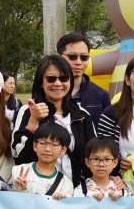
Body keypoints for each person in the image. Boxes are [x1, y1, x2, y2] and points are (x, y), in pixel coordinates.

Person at [14, 53, 117, 181]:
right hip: (37, 187)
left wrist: (111, 177)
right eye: (51, 79)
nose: (58, 83)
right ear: (41, 82)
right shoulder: (28, 111)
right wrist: (33, 122)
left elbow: (94, 153)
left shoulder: (82, 115)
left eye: (63, 78)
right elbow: (19, 157)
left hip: (74, 188)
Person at [12, 120, 76, 199]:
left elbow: (66, 205)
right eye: (42, 143)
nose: (47, 149)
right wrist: (18, 189)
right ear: (35, 146)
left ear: (63, 149)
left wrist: (61, 201)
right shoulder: (17, 171)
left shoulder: (65, 183)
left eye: (54, 145)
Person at [57, 32, 111, 118]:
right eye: (72, 56)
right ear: (59, 57)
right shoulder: (46, 93)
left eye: (84, 57)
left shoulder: (101, 96)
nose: (78, 62)